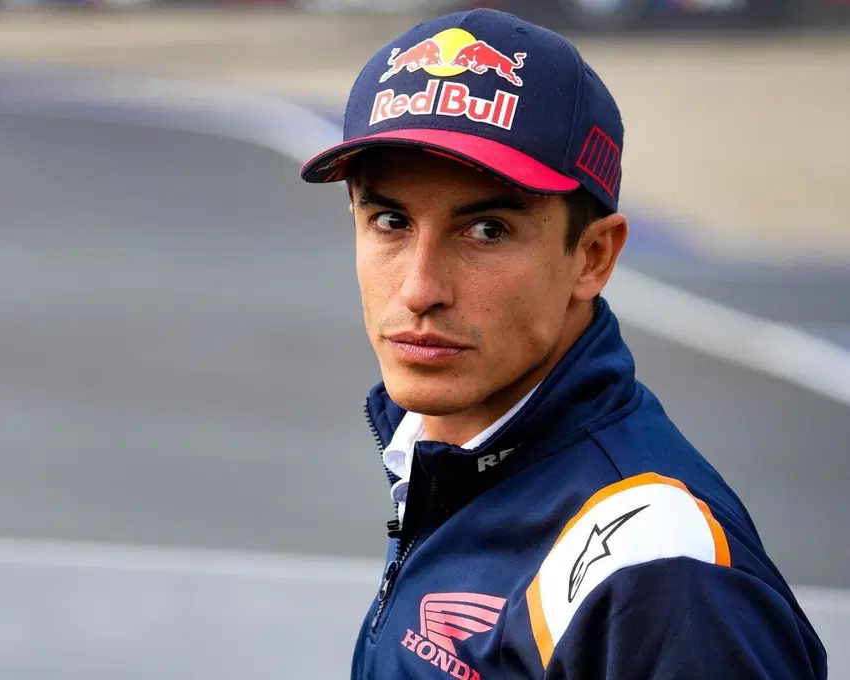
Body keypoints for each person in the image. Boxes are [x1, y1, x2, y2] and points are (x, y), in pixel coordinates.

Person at [298, 9, 826, 679]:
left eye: (487, 230)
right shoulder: (445, 459)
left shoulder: (660, 571)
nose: (419, 289)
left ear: (593, 256)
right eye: (390, 221)